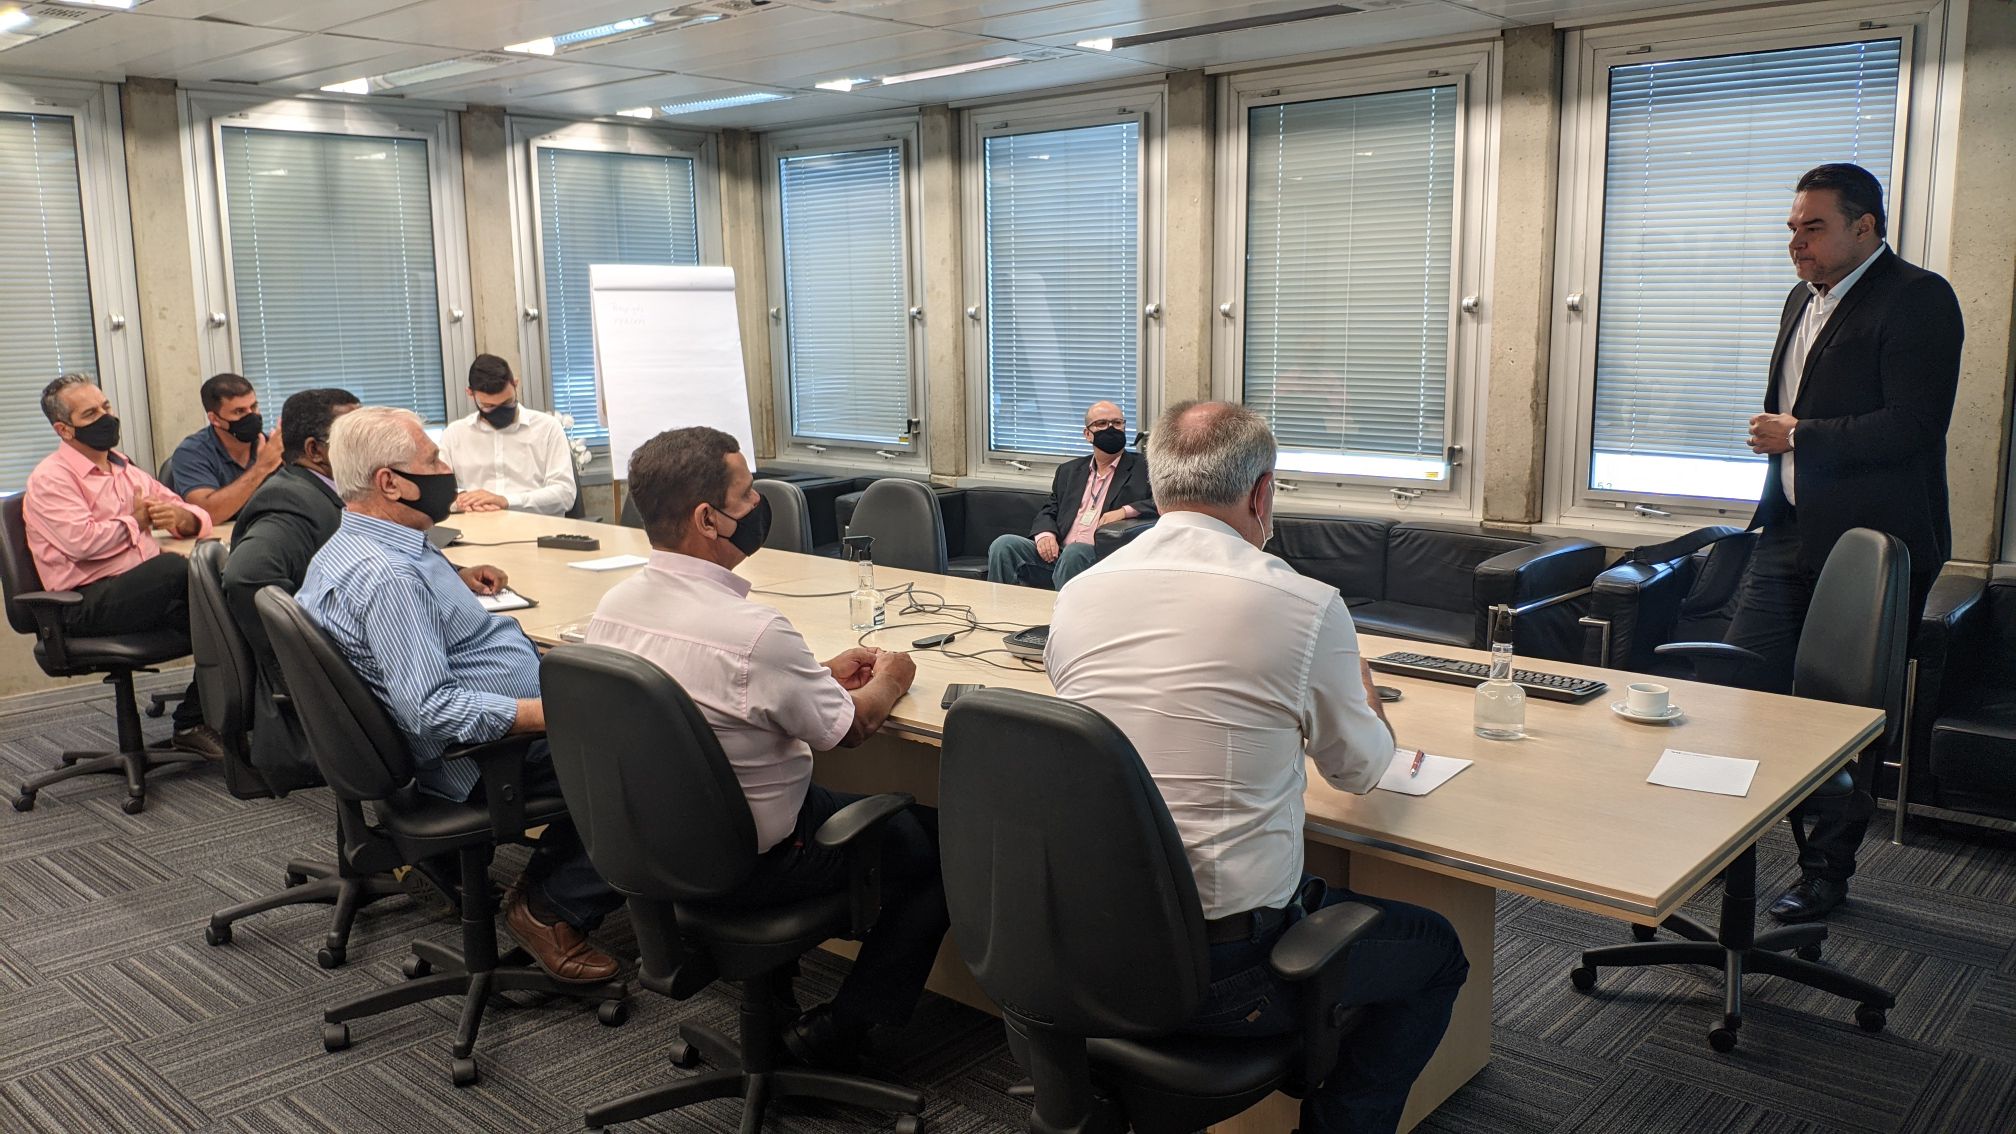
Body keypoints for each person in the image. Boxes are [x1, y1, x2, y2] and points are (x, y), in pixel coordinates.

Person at [1047, 401, 1468, 1134]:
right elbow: (1361, 771)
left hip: (1084, 943)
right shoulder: (1303, 604)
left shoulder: (1079, 593)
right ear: (1262, 492)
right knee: (1437, 954)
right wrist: (1366, 700)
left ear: (1161, 486)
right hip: (1224, 971)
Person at [585, 426, 947, 1070]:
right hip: (756, 862)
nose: (760, 505)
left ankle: (776, 1003)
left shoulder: (614, 607)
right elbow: (851, 729)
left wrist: (813, 676)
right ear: (708, 519)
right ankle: (839, 1030)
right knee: (943, 847)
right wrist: (893, 676)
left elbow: (708, 696)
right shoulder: (754, 634)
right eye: (748, 494)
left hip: (655, 849)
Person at [297, 407, 622, 981]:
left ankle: (465, 867)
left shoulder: (363, 546)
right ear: (390, 482)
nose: (447, 469)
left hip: (458, 738)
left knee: (616, 687)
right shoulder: (389, 578)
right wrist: (551, 714)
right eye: (433, 460)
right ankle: (549, 908)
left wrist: (454, 579)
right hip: (477, 760)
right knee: (648, 748)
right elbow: (432, 709)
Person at [1729, 163, 1965, 924]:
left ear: (1866, 227)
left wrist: (1800, 434)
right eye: (1792, 228)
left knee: (1841, 718)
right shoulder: (1803, 297)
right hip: (1788, 533)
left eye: (1813, 227)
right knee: (1741, 690)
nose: (1795, 243)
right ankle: (1720, 850)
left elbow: (1914, 425)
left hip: (1871, 550)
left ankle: (1825, 873)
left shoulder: (1918, 298)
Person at [24, 374, 225, 760]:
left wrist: (182, 518)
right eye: (90, 414)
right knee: (177, 569)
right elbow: (81, 542)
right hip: (81, 604)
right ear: (64, 430)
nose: (105, 418)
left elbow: (193, 512)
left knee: (228, 608)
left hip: (136, 595)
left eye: (106, 407)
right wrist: (137, 521)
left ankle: (197, 721)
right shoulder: (52, 479)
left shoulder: (124, 469)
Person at [220, 387, 360, 789]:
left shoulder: (331, 490)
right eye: (355, 435)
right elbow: (246, 577)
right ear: (316, 451)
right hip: (334, 680)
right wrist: (302, 662)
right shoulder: (291, 501)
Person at [987, 400, 1157, 590]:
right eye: (1102, 424)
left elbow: (1165, 502)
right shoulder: (1069, 471)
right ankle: (999, 606)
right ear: (1087, 434)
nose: (1111, 428)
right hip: (1060, 553)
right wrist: (1045, 534)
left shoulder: (1145, 468)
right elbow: (1050, 508)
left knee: (1074, 553)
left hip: (1101, 557)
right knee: (1004, 545)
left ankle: (1064, 610)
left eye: (1117, 423)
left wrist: (1125, 511)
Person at [437, 354, 576, 516]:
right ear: (470, 393)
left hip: (535, 525)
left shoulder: (548, 428)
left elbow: (565, 494)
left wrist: (506, 501)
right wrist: (461, 500)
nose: (500, 411)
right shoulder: (454, 434)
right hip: (475, 525)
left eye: (507, 402)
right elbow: (439, 493)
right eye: (488, 406)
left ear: (515, 384)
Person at [169, 373, 282, 523]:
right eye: (239, 411)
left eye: (254, 407)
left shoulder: (272, 447)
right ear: (215, 419)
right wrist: (261, 467)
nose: (252, 416)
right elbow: (208, 514)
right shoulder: (191, 453)